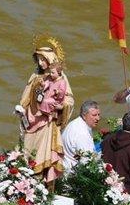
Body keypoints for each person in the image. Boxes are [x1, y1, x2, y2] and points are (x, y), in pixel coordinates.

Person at [17, 38, 75, 184]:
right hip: (31, 118)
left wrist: (62, 107)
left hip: (48, 121)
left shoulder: (60, 78)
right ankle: (24, 180)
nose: (41, 64)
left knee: (44, 154)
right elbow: (26, 96)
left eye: (43, 60)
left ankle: (41, 183)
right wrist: (22, 109)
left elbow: (69, 99)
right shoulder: (35, 75)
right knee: (27, 151)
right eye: (38, 60)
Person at [61, 100, 102, 173]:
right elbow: (86, 162)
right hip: (72, 174)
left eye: (98, 115)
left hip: (65, 164)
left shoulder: (76, 123)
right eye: (94, 115)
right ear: (84, 115)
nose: (98, 118)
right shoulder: (82, 133)